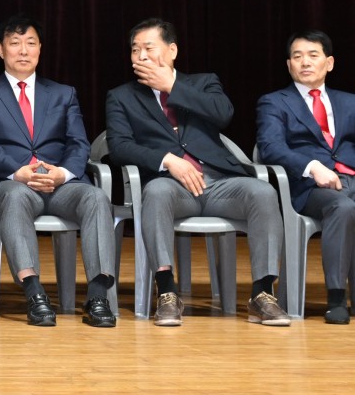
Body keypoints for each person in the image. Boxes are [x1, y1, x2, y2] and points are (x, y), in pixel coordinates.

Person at [105, 17, 289, 326]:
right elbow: (119, 147)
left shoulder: (203, 83)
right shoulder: (121, 96)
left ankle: (262, 293)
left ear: (172, 50)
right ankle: (167, 291)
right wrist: (167, 160)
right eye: (135, 50)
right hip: (171, 186)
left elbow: (223, 114)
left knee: (263, 192)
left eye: (149, 48)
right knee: (156, 191)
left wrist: (172, 87)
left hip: (219, 184)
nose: (141, 56)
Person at [0, 15, 118, 327]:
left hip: (61, 184)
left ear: (40, 49)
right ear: (0, 50)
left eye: (31, 43)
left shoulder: (63, 93)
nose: (23, 51)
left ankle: (98, 296)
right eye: (15, 43)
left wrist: (63, 173)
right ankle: (34, 292)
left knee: (96, 198)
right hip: (13, 183)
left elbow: (78, 142)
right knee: (15, 198)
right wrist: (16, 171)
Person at [257, 30, 355, 323]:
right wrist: (312, 166)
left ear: (329, 63)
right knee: (343, 206)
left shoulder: (349, 102)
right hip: (308, 187)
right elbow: (271, 147)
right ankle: (336, 298)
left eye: (313, 55)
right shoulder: (275, 102)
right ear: (289, 65)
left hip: (350, 177)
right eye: (297, 57)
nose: (305, 62)